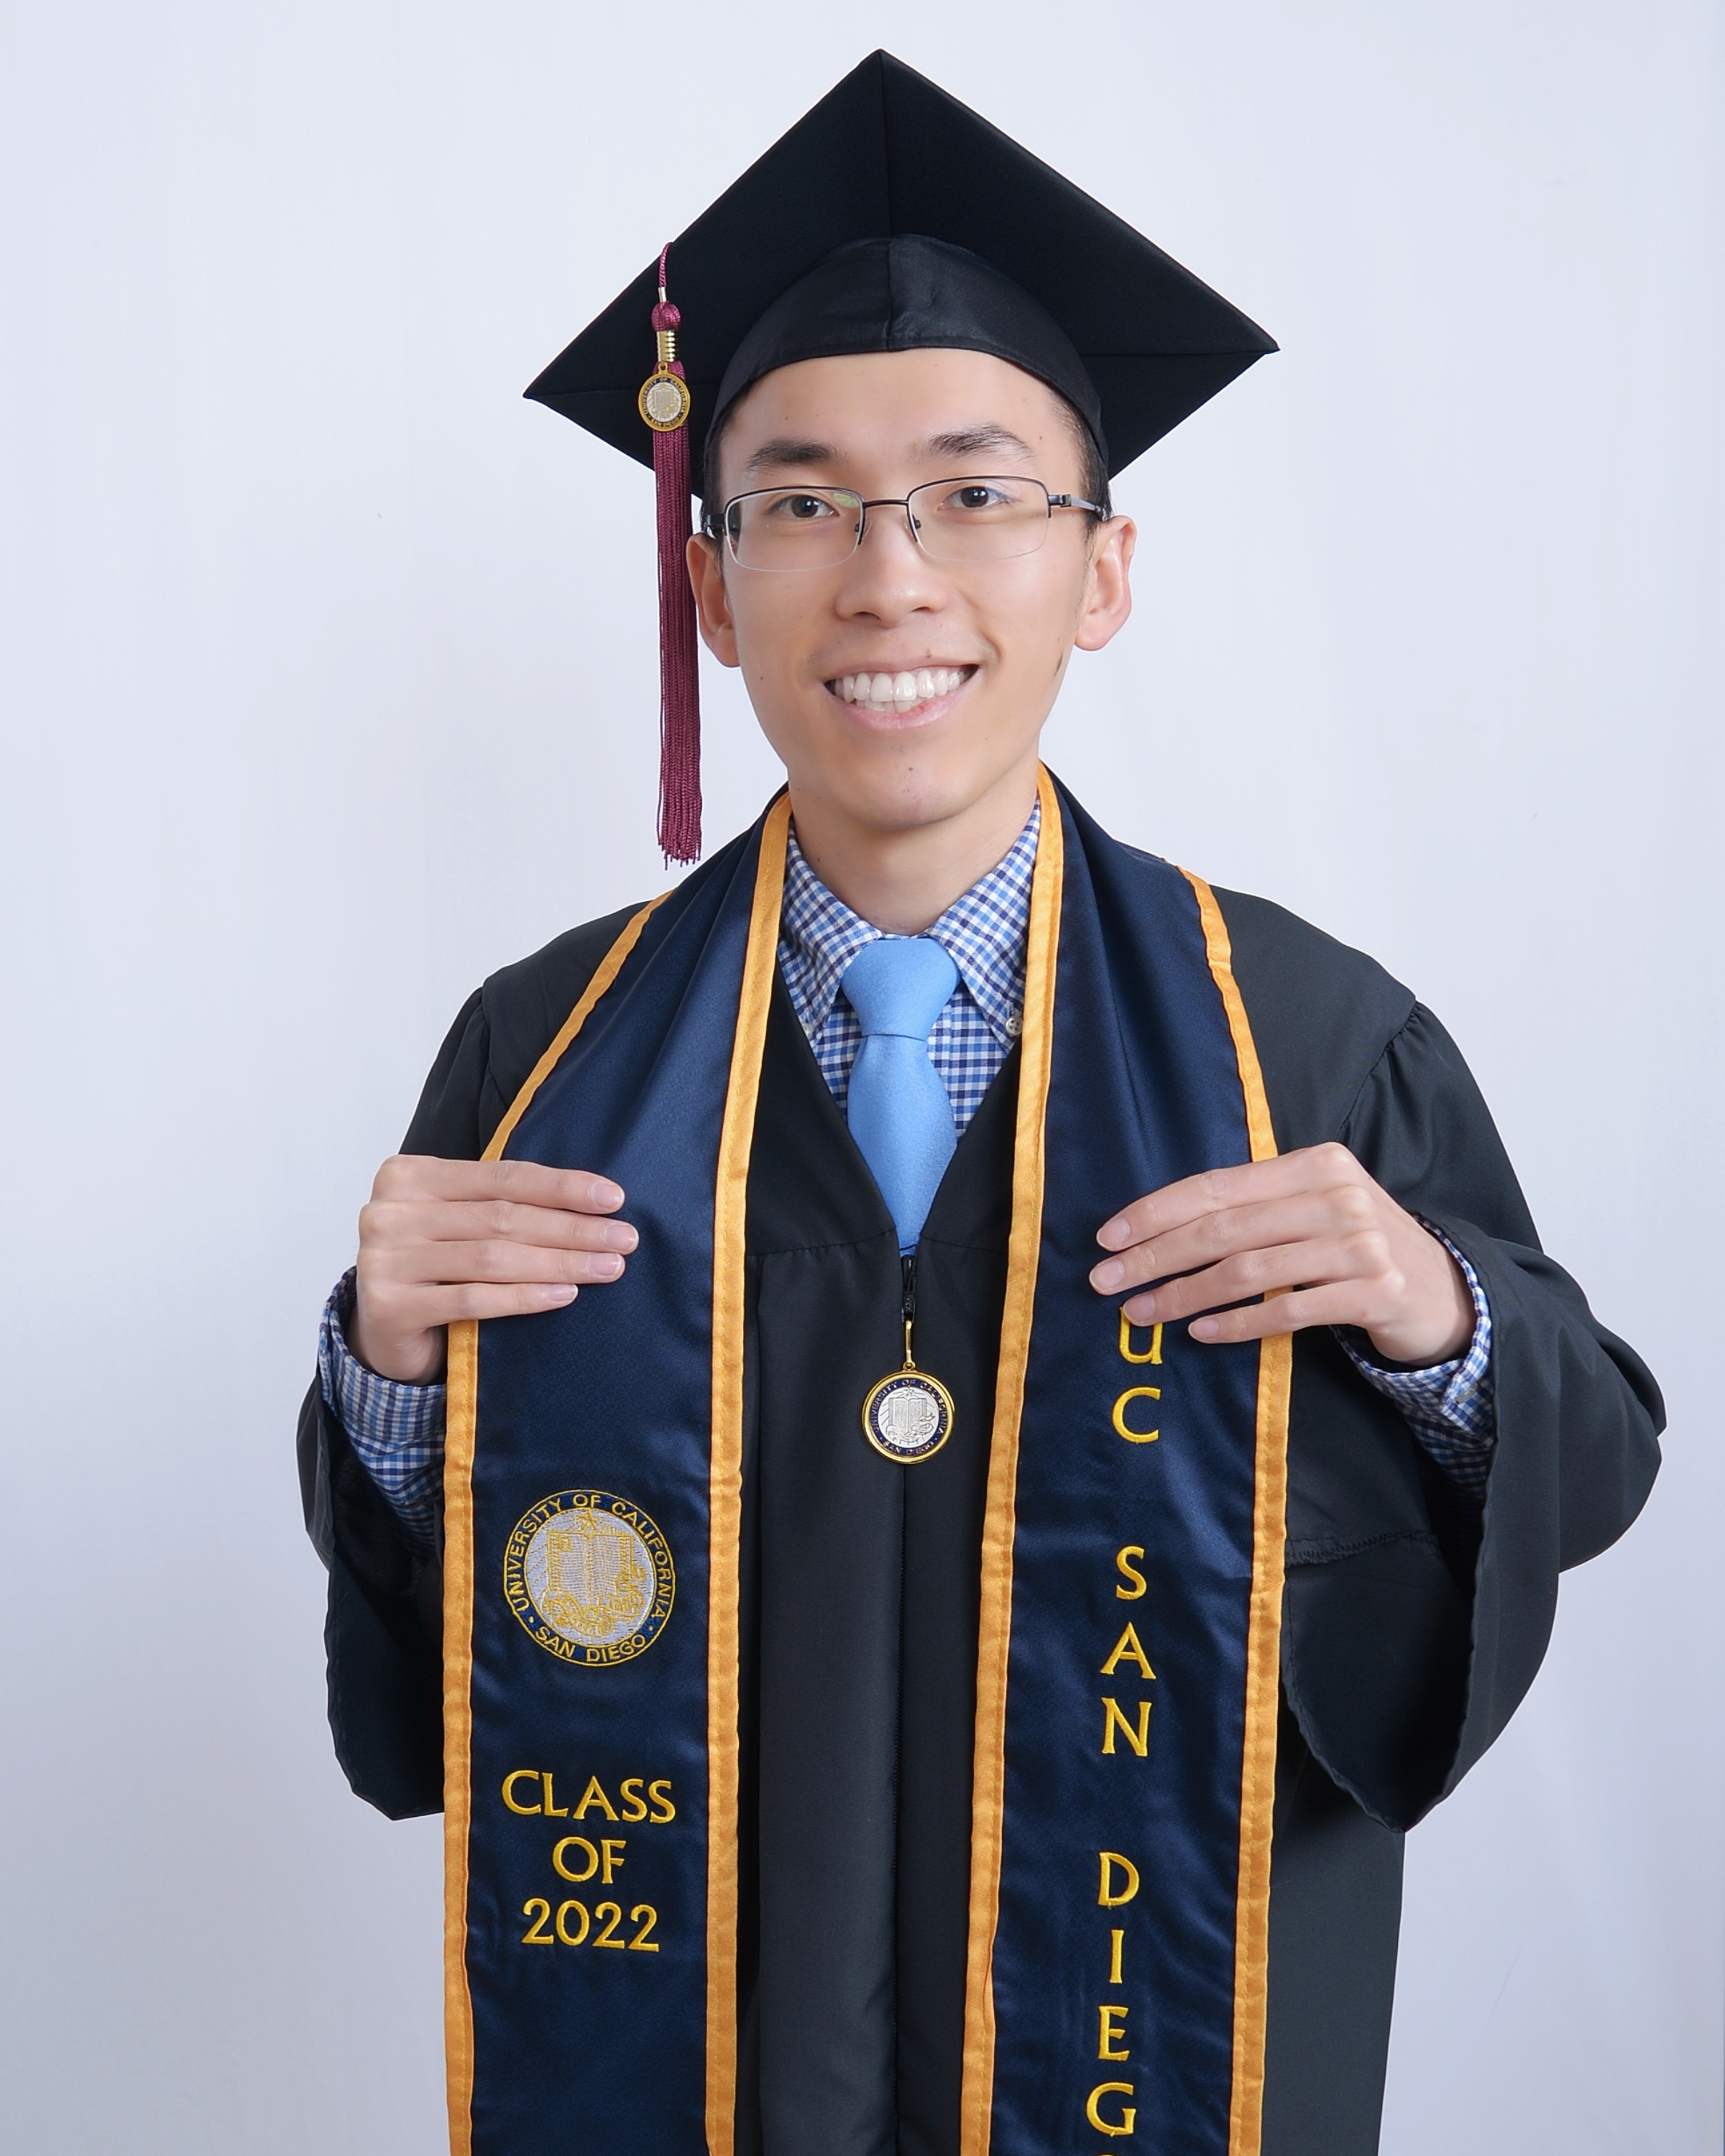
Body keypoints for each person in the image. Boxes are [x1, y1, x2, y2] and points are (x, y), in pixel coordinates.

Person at [297, 51, 1662, 2156]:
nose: (890, 574)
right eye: (805, 503)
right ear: (708, 585)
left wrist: (1442, 1317)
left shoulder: (1302, 1043)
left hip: (1161, 2024)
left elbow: (1590, 1461)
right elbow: (436, 1612)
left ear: (1101, 572)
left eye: (975, 491)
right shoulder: (548, 1057)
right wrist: (387, 1379)